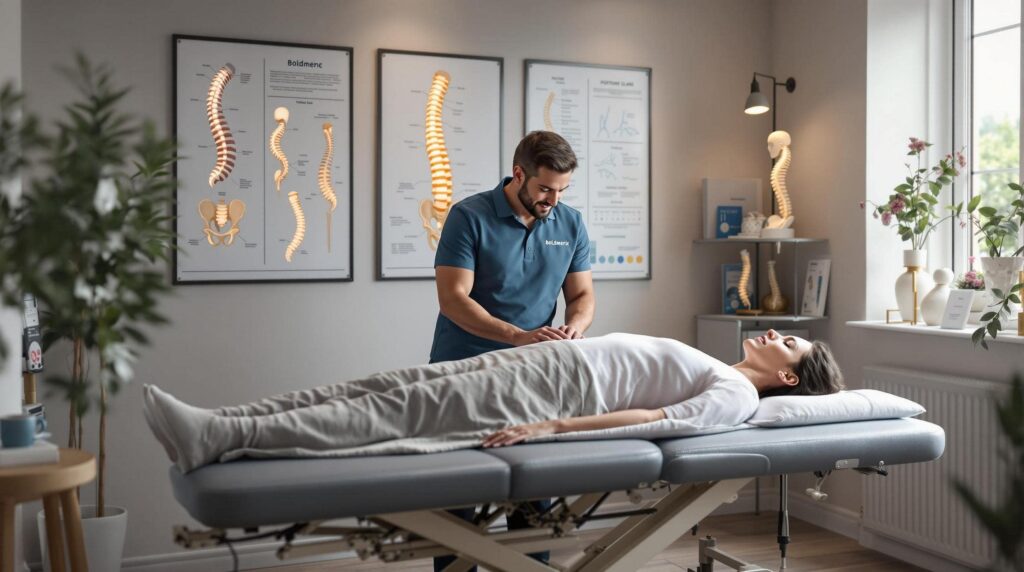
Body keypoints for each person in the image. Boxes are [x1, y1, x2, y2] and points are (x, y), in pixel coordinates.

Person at [143, 331, 844, 475]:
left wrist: (555, 427)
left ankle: (220, 441)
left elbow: (657, 422)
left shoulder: (735, 395)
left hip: (554, 391)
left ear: (789, 379)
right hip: (546, 363)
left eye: (790, 344)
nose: (776, 335)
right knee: (381, 388)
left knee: (391, 414)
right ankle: (220, 422)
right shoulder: (724, 369)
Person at [429, 130, 594, 568]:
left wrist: (573, 328)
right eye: (545, 189)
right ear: (519, 174)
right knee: (458, 503)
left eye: (562, 190)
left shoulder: (570, 223)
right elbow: (453, 299)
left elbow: (582, 296)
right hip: (464, 370)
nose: (553, 200)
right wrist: (518, 335)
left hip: (534, 374)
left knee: (534, 500)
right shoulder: (469, 216)